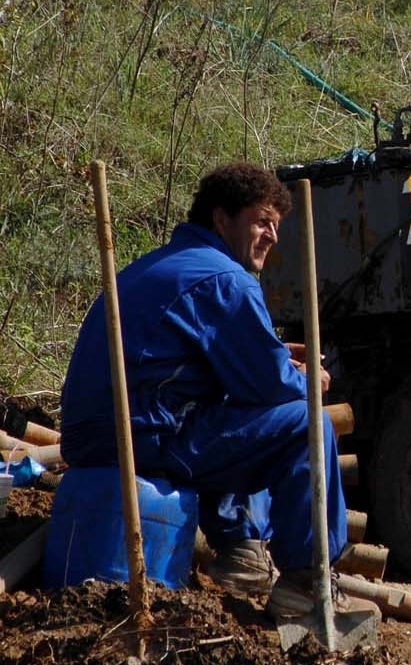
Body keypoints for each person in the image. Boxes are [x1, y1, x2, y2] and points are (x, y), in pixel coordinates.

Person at [59, 162, 372, 622]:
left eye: (277, 226)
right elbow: (268, 385)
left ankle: (242, 552)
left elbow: (205, 356)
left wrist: (275, 352)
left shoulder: (161, 266)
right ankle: (305, 581)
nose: (273, 236)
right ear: (222, 219)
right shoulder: (226, 280)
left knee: (228, 399)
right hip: (143, 436)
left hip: (101, 432)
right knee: (305, 421)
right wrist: (308, 379)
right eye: (262, 221)